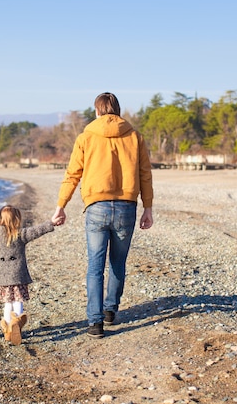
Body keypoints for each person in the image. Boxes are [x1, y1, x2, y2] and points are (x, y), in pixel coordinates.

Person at [52, 92, 154, 339]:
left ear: (97, 112)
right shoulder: (134, 136)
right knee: (117, 263)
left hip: (96, 207)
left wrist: (61, 205)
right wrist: (148, 207)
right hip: (126, 208)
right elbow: (145, 173)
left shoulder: (86, 137)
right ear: (118, 111)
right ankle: (110, 310)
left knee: (94, 267)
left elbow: (72, 174)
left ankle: (95, 323)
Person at [0, 205, 59, 345]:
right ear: (16, 219)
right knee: (18, 301)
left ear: (0, 219)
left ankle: (8, 331)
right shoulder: (19, 233)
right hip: (17, 276)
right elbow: (37, 230)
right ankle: (17, 323)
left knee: (8, 303)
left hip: (1, 278)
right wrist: (51, 223)